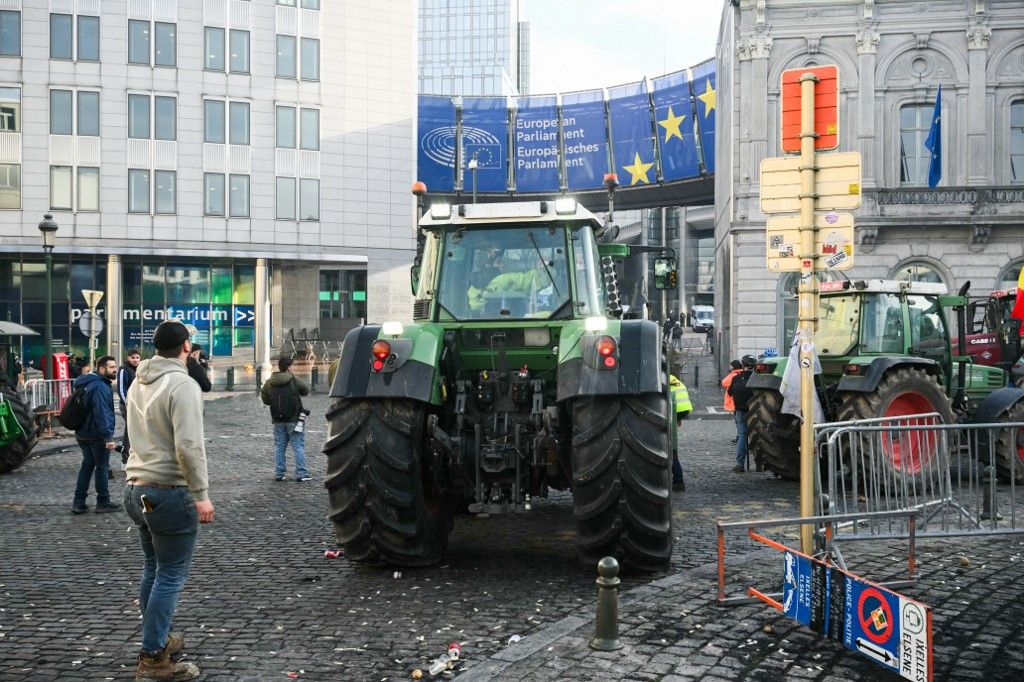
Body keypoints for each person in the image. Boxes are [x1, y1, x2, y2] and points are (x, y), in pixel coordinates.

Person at [124, 319, 213, 681]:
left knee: (153, 568)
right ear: (186, 347)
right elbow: (189, 447)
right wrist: (202, 496)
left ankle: (157, 638)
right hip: (168, 492)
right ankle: (153, 658)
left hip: (137, 490)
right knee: (170, 574)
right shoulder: (182, 384)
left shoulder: (136, 382)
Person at [70, 356, 120, 514]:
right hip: (96, 434)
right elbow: (101, 413)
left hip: (83, 433)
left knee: (87, 466)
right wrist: (107, 437)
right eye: (111, 367)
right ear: (101, 369)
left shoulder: (88, 382)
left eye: (115, 366)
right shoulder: (99, 386)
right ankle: (103, 502)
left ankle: (78, 503)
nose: (115, 369)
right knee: (102, 467)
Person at [260, 357, 311, 482]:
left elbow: (266, 400)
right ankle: (302, 473)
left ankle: (279, 474)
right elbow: (305, 391)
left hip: (277, 420)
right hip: (294, 419)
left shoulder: (269, 382)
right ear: (289, 367)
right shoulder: (294, 379)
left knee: (280, 447)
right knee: (298, 445)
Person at [727, 355, 756, 473]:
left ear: (742, 365)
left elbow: (730, 392)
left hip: (740, 411)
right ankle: (759, 463)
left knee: (742, 435)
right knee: (758, 436)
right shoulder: (758, 379)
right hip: (754, 411)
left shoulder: (736, 378)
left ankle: (740, 464)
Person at [116, 349, 141, 467]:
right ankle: (125, 459)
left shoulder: (139, 369)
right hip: (127, 405)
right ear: (128, 358)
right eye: (133, 357)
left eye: (137, 357)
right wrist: (128, 403)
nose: (135, 360)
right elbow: (121, 389)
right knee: (130, 430)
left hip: (137, 404)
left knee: (133, 430)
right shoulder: (123, 369)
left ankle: (132, 457)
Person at [669, 374, 692, 492]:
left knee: (672, 451)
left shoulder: (660, 380)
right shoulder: (675, 380)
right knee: (673, 451)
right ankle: (678, 482)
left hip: (674, 410)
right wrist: (678, 419)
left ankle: (678, 482)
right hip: (683, 410)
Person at [721, 359, 743, 444]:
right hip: (743, 401)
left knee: (739, 423)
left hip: (735, 402)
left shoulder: (734, 374)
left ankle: (740, 438)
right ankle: (740, 438)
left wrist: (731, 373)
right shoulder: (744, 373)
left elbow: (724, 382)